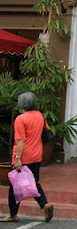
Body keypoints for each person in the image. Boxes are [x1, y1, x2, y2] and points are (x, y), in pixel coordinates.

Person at [0, 92, 54, 223]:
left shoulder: (20, 119)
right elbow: (45, 133)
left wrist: (17, 159)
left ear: (21, 104)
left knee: (14, 186)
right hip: (36, 155)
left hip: (24, 156)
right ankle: (44, 204)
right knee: (34, 182)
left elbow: (21, 140)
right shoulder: (40, 116)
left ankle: (13, 214)